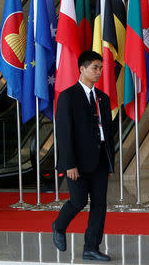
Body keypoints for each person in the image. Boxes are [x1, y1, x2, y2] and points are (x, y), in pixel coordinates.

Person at [52, 51, 115, 262]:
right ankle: (59, 226)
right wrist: (69, 163)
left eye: (100, 68)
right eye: (94, 68)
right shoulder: (68, 96)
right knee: (78, 201)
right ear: (82, 69)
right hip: (77, 162)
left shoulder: (103, 98)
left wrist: (109, 163)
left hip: (100, 161)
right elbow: (64, 132)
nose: (99, 72)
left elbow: (108, 131)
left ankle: (91, 247)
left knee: (99, 204)